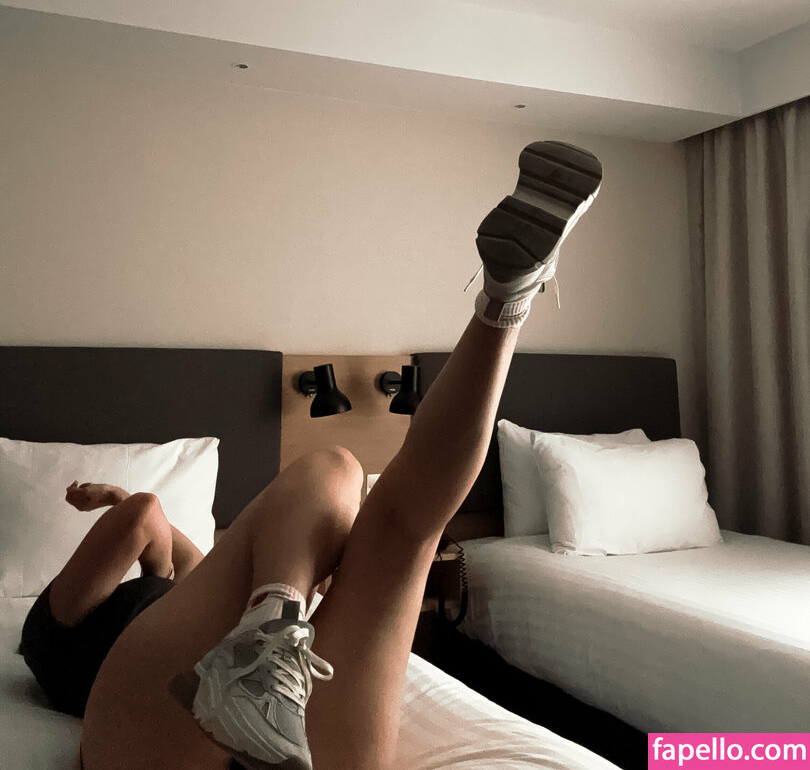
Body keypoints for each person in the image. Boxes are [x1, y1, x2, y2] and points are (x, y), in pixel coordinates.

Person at [75, 139, 599, 770]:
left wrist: (294, 563)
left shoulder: (173, 589)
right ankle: (506, 300)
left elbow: (173, 549)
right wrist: (127, 507)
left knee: (396, 524)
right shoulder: (47, 624)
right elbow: (150, 528)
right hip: (166, 707)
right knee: (352, 484)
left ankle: (270, 634)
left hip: (182, 728)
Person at [20, 480, 205, 718]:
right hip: (95, 673)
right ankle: (159, 578)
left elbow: (147, 513)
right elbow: (192, 561)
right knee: (148, 517)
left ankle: (159, 577)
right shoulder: (215, 604)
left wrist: (116, 497)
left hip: (66, 656)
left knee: (145, 509)